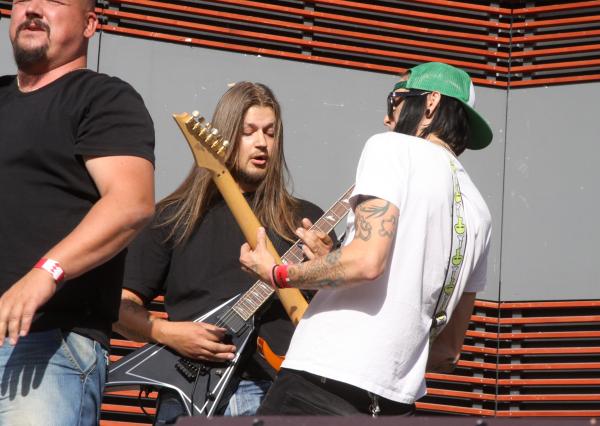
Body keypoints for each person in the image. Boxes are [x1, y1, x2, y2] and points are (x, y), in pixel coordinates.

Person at [240, 62, 493, 416]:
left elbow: (366, 262)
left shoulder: (393, 148)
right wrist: (335, 259)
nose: (389, 117)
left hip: (320, 383)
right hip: (395, 404)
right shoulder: (479, 210)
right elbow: (449, 350)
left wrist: (277, 273)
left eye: (396, 100)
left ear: (431, 103)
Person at [113, 81, 333, 425]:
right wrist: (169, 333)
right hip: (189, 393)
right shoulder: (174, 217)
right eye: (248, 132)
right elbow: (119, 307)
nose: (261, 143)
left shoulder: (304, 222)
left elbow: (343, 320)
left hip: (278, 393)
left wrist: (327, 271)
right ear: (224, 136)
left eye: (270, 132)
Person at [0, 0, 156, 425]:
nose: (33, 8)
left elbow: (131, 203)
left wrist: (46, 272)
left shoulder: (104, 98)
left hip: (46, 345)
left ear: (90, 24)